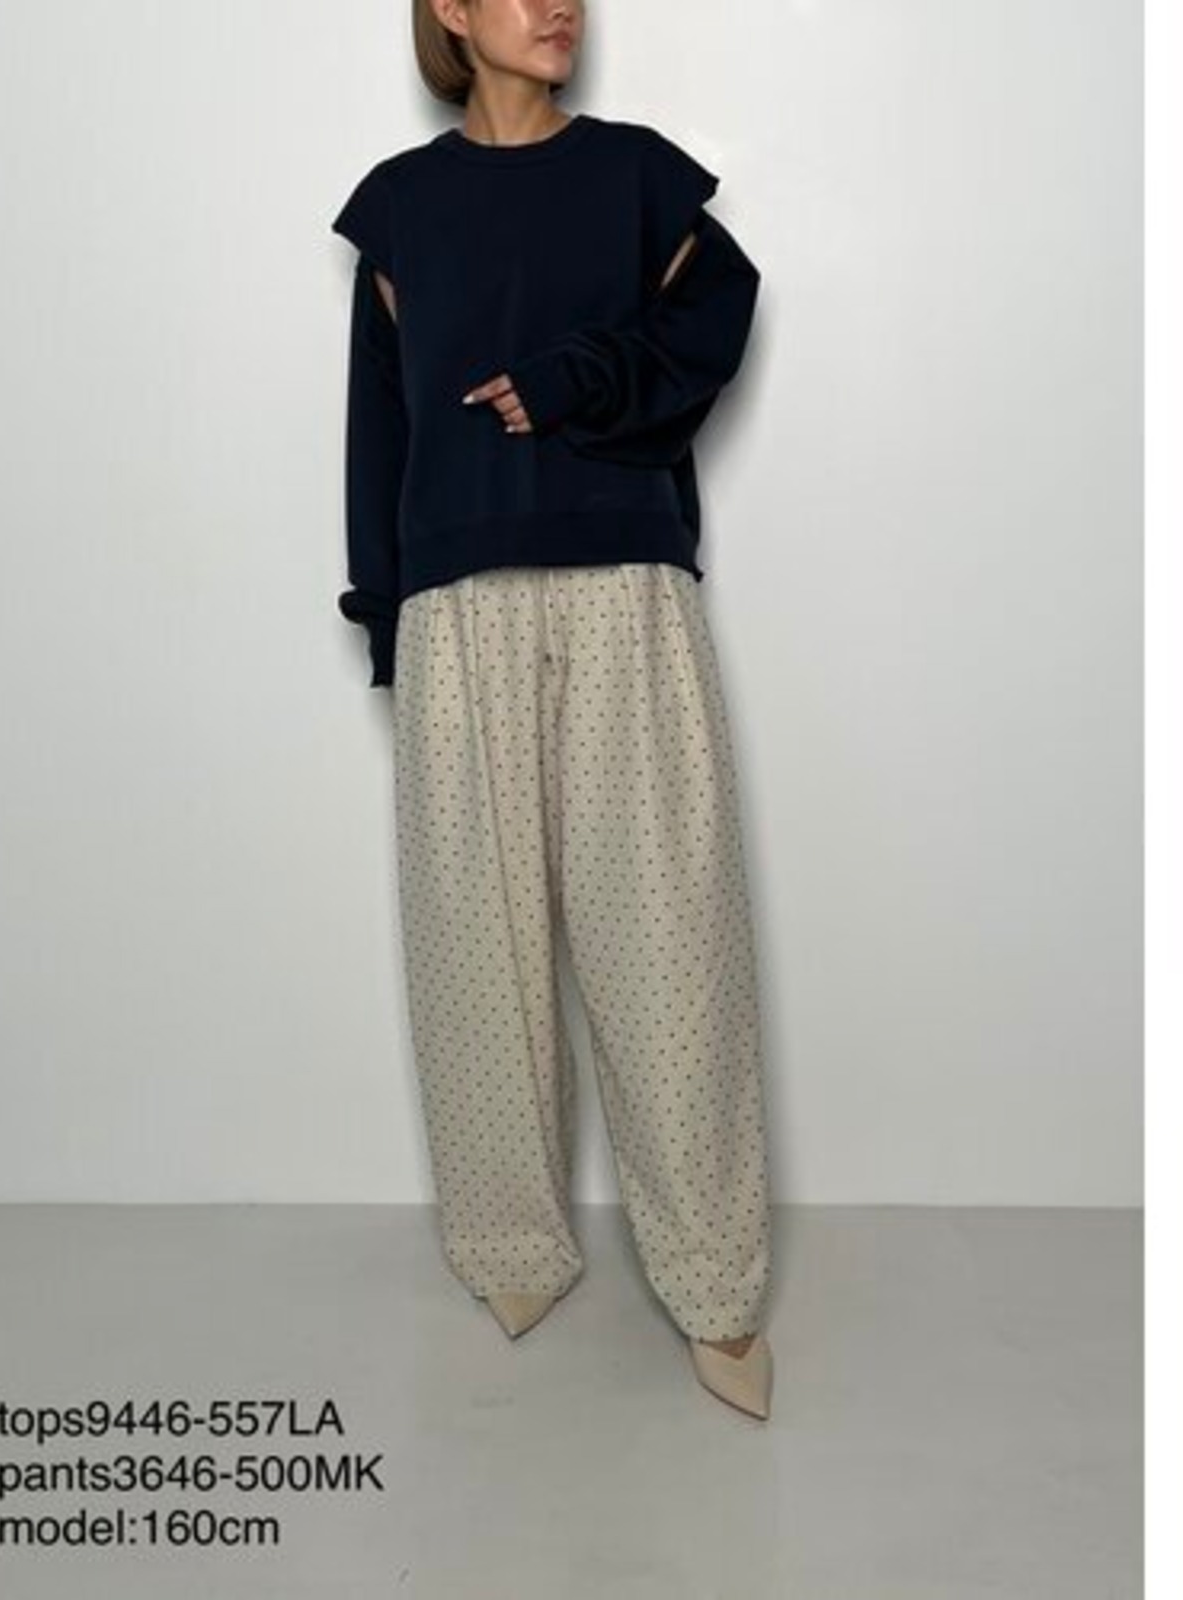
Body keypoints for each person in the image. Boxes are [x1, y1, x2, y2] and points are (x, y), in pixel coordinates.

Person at [330, 0, 774, 1420]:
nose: (557, 6)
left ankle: (714, 1282)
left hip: (624, 589)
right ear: (452, 12)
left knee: (668, 940)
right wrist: (390, 612)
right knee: (477, 945)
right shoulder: (400, 211)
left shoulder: (634, 177)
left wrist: (579, 379)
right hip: (456, 609)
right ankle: (512, 1245)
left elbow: (718, 317)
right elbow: (382, 431)